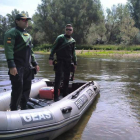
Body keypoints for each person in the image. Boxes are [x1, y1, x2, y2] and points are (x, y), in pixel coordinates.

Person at [4, 13, 40, 111]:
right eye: (24, 20)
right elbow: (9, 49)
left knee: (27, 88)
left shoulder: (28, 35)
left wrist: (35, 63)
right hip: (17, 67)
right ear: (17, 21)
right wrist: (11, 65)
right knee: (17, 89)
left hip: (27, 67)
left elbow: (31, 51)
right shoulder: (11, 33)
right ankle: (14, 108)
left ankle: (24, 106)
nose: (26, 21)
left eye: (27, 20)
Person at [49, 24, 77, 102]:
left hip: (68, 62)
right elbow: (53, 48)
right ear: (65, 30)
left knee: (66, 79)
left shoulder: (73, 41)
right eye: (67, 29)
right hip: (60, 61)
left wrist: (75, 62)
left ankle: (65, 94)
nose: (68, 31)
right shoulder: (60, 38)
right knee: (58, 79)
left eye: (70, 30)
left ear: (72, 31)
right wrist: (51, 58)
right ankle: (55, 97)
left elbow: (73, 53)